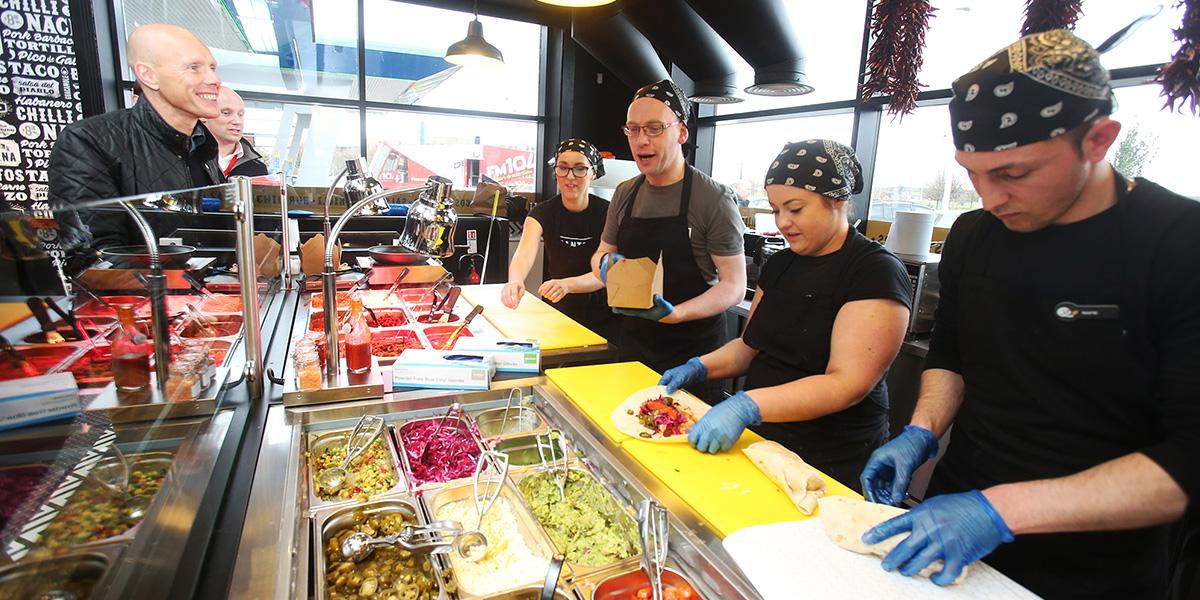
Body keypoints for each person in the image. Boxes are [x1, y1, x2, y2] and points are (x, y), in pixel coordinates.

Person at [858, 30, 1200, 598]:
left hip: (1094, 563)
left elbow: (1187, 465)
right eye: (972, 172)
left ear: (1099, 139)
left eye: (1013, 174)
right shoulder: (974, 234)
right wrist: (921, 431)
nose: (989, 198)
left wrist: (1000, 510)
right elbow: (952, 353)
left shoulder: (1178, 245)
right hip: (953, 524)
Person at [659, 140, 911, 489]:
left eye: (795, 208)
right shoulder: (781, 264)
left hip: (830, 460)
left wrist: (747, 405)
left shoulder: (873, 271)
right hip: (763, 443)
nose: (783, 223)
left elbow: (847, 384)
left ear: (837, 200)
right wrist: (698, 367)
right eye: (776, 210)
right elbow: (751, 346)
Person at [589, 79, 747, 402]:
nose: (641, 140)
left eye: (654, 128)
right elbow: (601, 254)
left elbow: (734, 286)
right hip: (634, 347)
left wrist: (678, 313)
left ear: (682, 133)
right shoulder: (625, 193)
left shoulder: (712, 198)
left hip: (694, 358)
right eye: (633, 130)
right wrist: (605, 267)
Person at [48, 23, 225, 251]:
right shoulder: (88, 140)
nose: (214, 79)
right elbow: (94, 257)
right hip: (150, 287)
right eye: (194, 67)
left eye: (212, 67)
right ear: (148, 75)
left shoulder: (201, 143)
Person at [502, 138, 616, 338]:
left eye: (580, 169)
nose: (570, 177)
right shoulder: (542, 212)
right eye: (562, 168)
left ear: (593, 172)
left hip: (603, 313)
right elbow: (524, 254)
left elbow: (608, 272)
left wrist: (568, 284)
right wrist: (515, 280)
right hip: (558, 308)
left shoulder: (609, 213)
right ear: (555, 172)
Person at [203, 86, 268, 178]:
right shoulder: (188, 161)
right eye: (226, 113)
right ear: (203, 115)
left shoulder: (257, 169)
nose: (237, 121)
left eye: (240, 115)